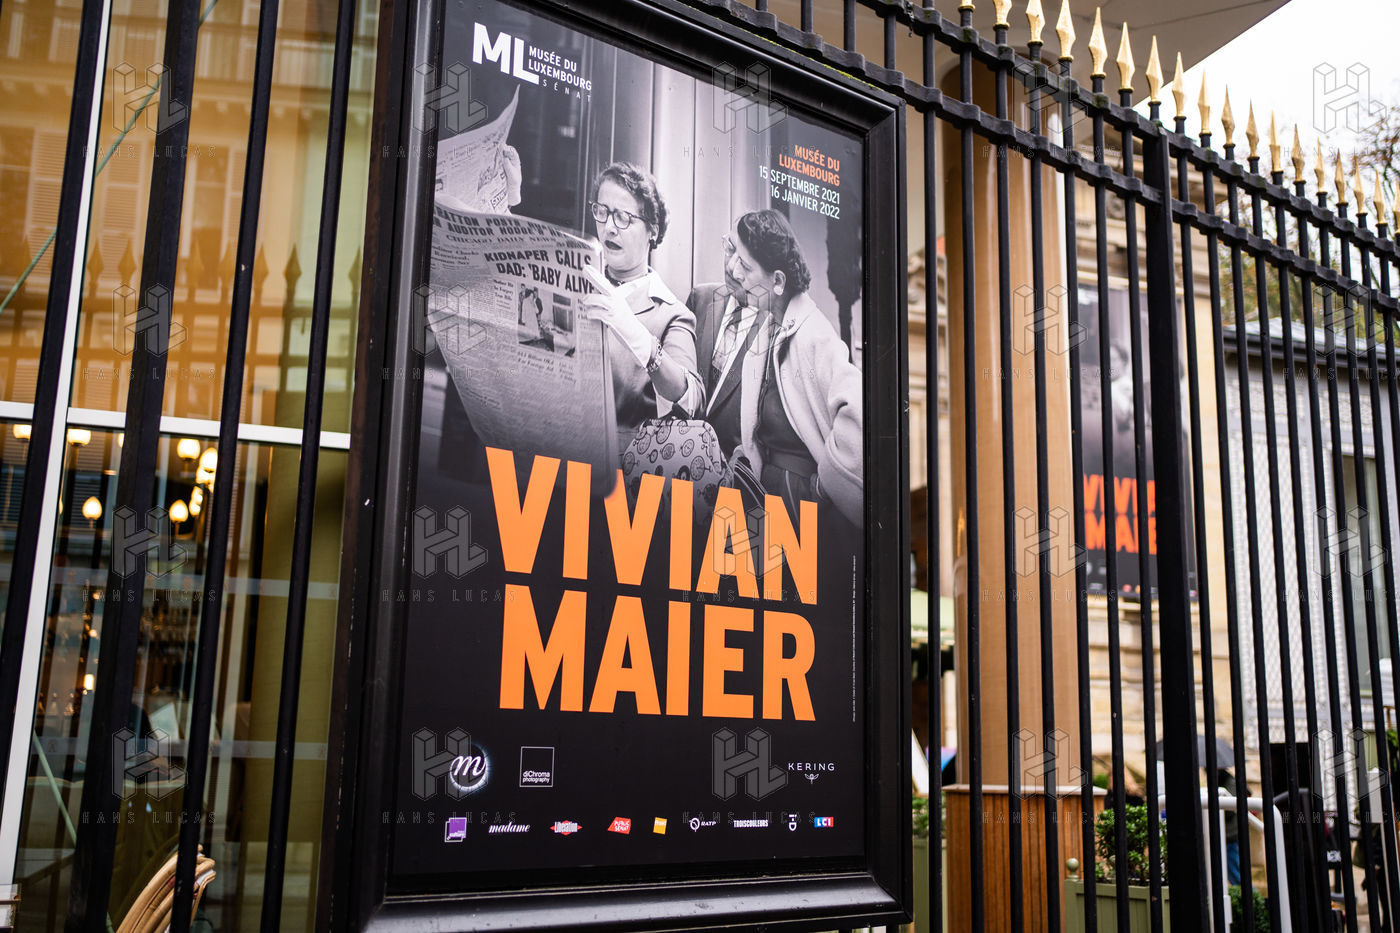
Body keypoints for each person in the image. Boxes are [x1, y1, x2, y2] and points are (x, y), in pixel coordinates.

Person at [687, 209, 862, 527]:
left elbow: (859, 410)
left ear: (778, 281)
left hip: (798, 507)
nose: (733, 269)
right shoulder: (771, 327)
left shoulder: (814, 333)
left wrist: (823, 488)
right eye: (733, 254)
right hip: (765, 501)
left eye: (745, 266)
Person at [578, 162, 704, 454]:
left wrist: (639, 339)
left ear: (652, 231)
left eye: (623, 217)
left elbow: (691, 399)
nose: (609, 227)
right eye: (602, 212)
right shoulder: (576, 280)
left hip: (623, 469)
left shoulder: (672, 314)